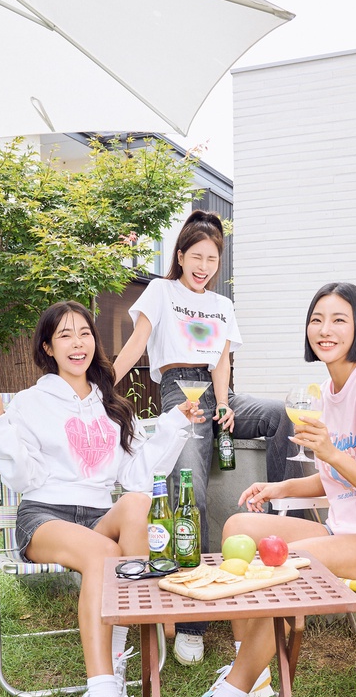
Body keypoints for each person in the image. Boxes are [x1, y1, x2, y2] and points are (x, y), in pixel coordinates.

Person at [162, 281, 356, 697]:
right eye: (317, 319)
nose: (325, 329)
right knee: (239, 528)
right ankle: (254, 678)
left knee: (290, 562)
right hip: (346, 529)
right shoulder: (328, 392)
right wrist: (280, 488)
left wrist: (330, 451)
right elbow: (337, 480)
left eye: (339, 320)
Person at [0, 300, 202, 697]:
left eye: (85, 333)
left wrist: (177, 421)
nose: (78, 343)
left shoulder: (111, 405)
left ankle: (106, 678)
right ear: (48, 348)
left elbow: (136, 477)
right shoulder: (26, 403)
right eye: (65, 335)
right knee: (106, 555)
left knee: (137, 505)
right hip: (45, 516)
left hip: (96, 516)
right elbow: (23, 478)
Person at [111, 209, 300, 668]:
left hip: (219, 392)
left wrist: (226, 405)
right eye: (196, 256)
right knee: (190, 494)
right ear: (180, 256)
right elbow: (137, 343)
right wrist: (102, 386)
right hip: (180, 392)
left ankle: (279, 517)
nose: (204, 266)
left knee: (282, 416)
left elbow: (221, 360)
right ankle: (193, 621)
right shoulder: (161, 292)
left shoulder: (221, 305)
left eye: (212, 259)